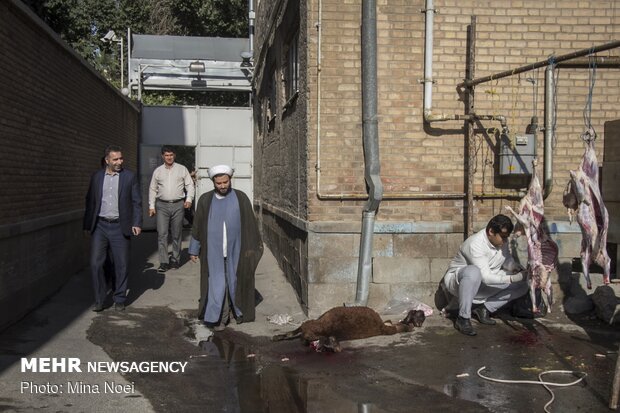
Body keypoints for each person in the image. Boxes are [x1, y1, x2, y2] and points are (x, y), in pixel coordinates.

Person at [188, 164, 263, 332]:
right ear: (213, 182)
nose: (223, 186)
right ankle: (220, 318)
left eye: (225, 182)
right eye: (219, 183)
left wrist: (251, 248)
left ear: (230, 180)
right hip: (212, 251)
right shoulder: (205, 200)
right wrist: (194, 249)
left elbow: (250, 225)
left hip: (236, 250)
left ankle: (238, 312)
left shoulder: (241, 198)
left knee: (234, 281)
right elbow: (197, 226)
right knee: (217, 284)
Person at [439, 214, 528, 336]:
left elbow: (506, 259)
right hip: (459, 283)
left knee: (523, 284)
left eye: (506, 237)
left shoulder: (503, 242)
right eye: (502, 237)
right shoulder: (475, 244)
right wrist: (512, 278)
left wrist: (514, 267)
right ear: (491, 231)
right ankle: (463, 318)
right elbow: (485, 277)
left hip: (483, 282)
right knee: (473, 272)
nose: (505, 240)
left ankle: (484, 308)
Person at [83, 145, 142, 312]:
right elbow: (90, 201)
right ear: (107, 160)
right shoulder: (96, 177)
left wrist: (136, 223)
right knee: (95, 264)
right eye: (115, 159)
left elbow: (136, 202)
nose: (119, 162)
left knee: (121, 263)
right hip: (100, 226)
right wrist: (87, 224)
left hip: (119, 226)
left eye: (121, 158)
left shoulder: (129, 177)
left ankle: (119, 298)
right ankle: (99, 299)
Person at [148, 146, 195, 272]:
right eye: (166, 155)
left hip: (178, 205)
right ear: (163, 156)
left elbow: (190, 185)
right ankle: (164, 261)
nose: (169, 157)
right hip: (162, 205)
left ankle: (175, 259)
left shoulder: (182, 169)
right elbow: (152, 189)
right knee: (162, 234)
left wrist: (189, 199)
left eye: (171, 155)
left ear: (174, 155)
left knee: (176, 233)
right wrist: (151, 206)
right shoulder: (158, 171)